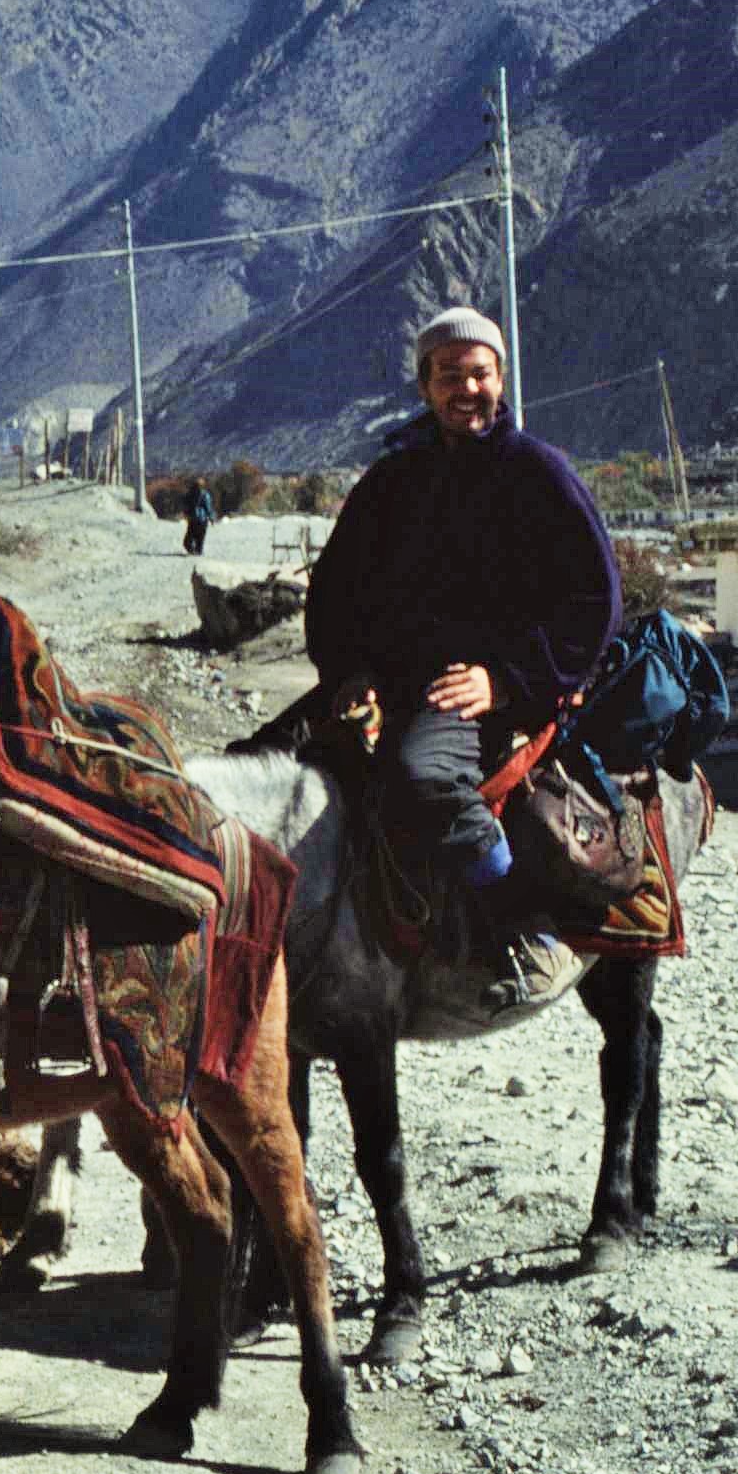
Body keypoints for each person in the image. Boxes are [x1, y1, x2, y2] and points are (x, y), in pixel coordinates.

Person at [304, 307, 621, 1018]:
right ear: (424, 386)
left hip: (481, 688)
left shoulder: (538, 473)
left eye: (479, 374)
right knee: (269, 759)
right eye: (449, 375)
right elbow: (335, 590)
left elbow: (594, 598)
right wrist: (348, 671)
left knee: (422, 774)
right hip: (389, 682)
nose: (466, 389)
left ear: (500, 380)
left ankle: (523, 931)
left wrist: (506, 678)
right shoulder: (392, 479)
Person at [182, 476, 217, 555]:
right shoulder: (205, 494)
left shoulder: (190, 494)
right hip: (202, 520)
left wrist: (186, 514)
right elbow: (208, 507)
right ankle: (197, 552)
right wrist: (211, 518)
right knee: (199, 539)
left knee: (189, 539)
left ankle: (193, 551)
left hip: (193, 519)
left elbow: (186, 505)